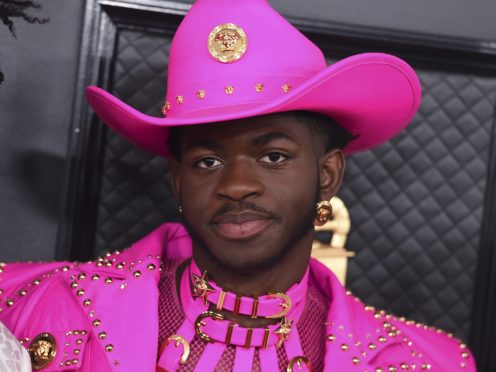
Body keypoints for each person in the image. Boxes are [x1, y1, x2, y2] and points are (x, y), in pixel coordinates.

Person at [0, 0, 476, 370]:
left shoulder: (422, 362)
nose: (237, 185)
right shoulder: (28, 308)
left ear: (327, 174)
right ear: (178, 180)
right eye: (207, 160)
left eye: (273, 156)